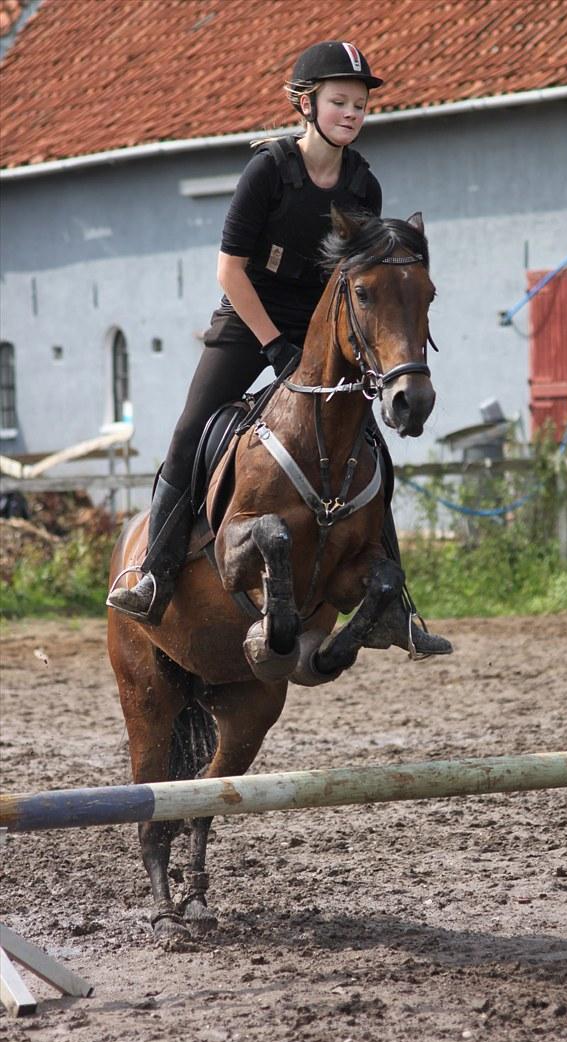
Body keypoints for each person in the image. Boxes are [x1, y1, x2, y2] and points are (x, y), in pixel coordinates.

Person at [108, 40, 451, 657]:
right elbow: (229, 272)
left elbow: (356, 281)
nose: (352, 113)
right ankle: (152, 572)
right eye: (340, 102)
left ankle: (391, 608)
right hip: (249, 317)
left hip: (320, 324)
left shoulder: (361, 185)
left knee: (368, 444)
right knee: (191, 431)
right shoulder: (268, 171)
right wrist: (272, 347)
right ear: (306, 104)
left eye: (360, 105)